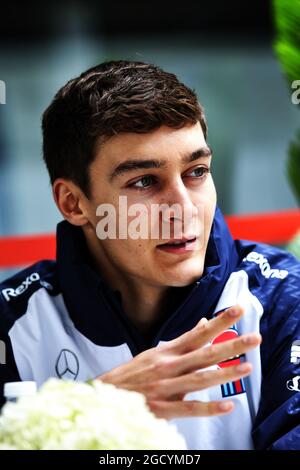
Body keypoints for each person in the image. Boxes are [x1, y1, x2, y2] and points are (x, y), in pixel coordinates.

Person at [0, 60, 299, 450]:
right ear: (73, 203)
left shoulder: (283, 301)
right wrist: (93, 405)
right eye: (144, 181)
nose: (184, 208)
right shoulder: (11, 322)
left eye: (197, 171)